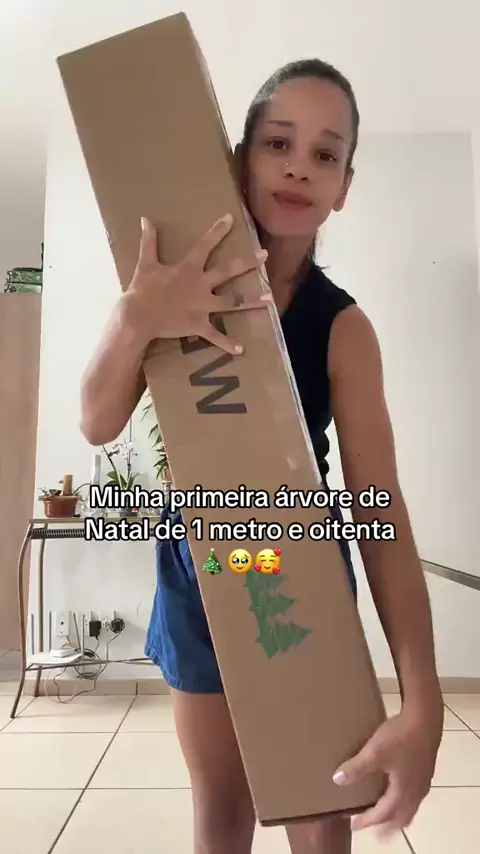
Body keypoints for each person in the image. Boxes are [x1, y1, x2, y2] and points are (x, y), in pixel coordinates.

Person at [80, 58, 443, 854]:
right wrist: (138, 317)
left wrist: (425, 703)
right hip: (199, 564)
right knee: (221, 805)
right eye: (279, 142)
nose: (298, 167)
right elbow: (97, 421)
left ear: (345, 185)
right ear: (241, 157)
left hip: (299, 566)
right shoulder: (169, 289)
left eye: (325, 153)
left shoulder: (343, 329)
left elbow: (379, 510)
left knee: (320, 804)